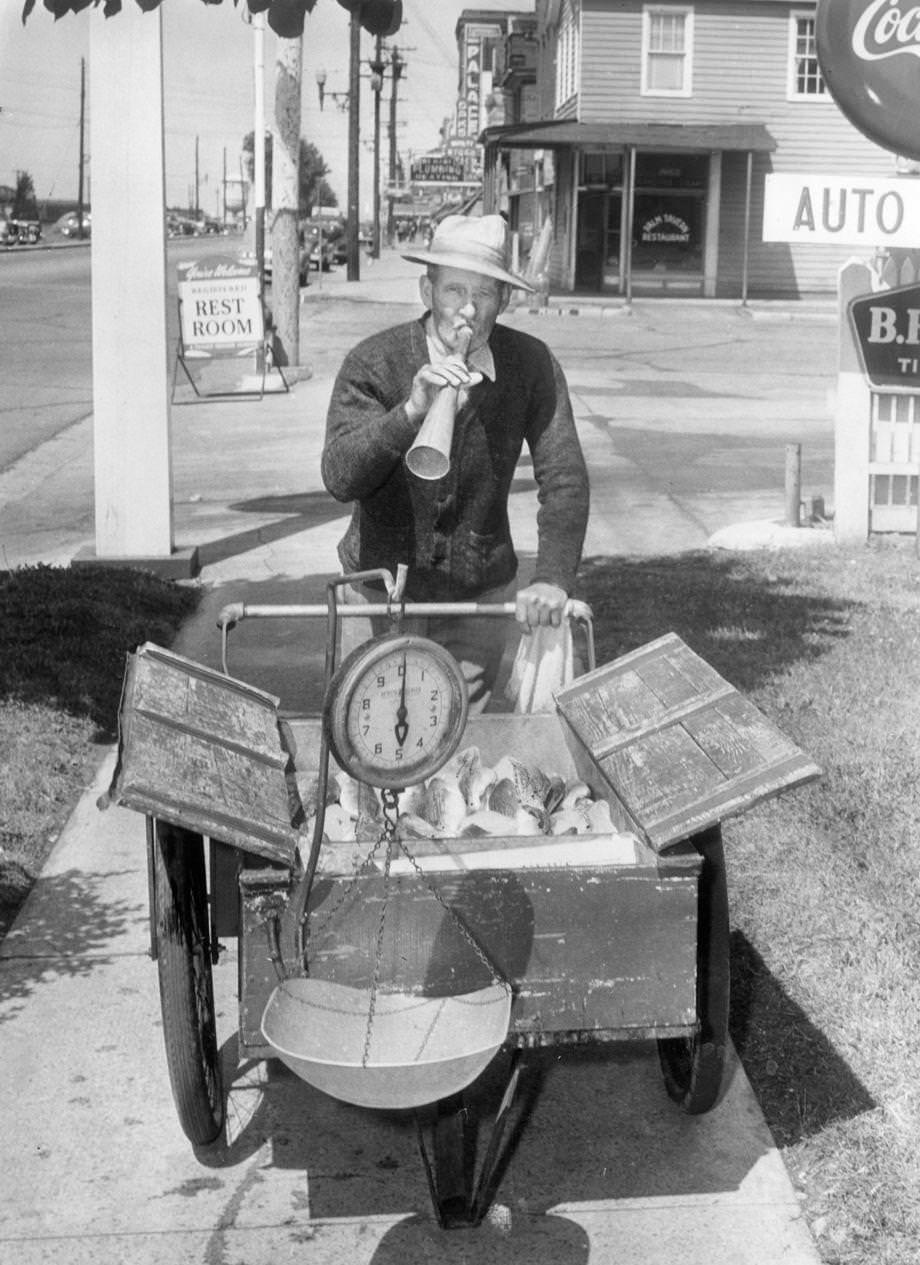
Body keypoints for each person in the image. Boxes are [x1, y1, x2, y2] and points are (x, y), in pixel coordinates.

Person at [321, 213, 590, 712]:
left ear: (504, 300)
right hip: (377, 592)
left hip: (477, 598)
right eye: (453, 291)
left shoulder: (531, 364)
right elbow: (340, 476)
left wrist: (553, 576)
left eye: (484, 294)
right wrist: (409, 413)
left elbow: (565, 477)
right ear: (427, 292)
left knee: (461, 746)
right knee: (366, 738)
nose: (467, 311)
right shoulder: (373, 361)